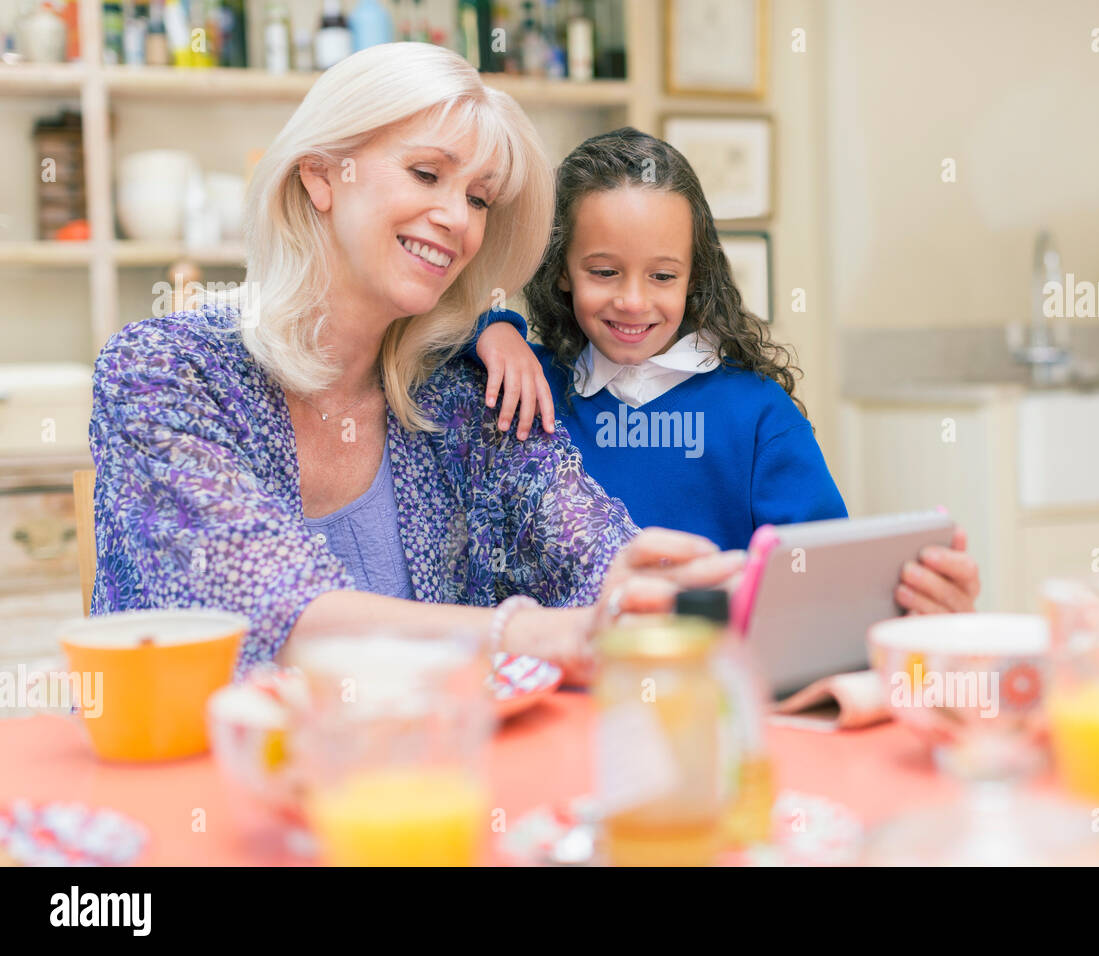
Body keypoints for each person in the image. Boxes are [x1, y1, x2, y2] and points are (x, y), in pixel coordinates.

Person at [88, 45, 742, 685]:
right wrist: (530, 633)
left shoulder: (460, 397)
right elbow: (270, 607)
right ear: (321, 175)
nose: (457, 218)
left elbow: (590, 551)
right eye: (427, 174)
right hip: (193, 780)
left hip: (419, 782)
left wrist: (674, 585)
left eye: (480, 198)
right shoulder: (164, 372)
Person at [465, 129, 980, 612]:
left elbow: (824, 585)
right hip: (565, 685)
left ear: (694, 278)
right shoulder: (523, 382)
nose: (632, 300)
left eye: (663, 275)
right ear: (560, 269)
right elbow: (418, 339)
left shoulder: (758, 414)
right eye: (604, 272)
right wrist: (489, 326)